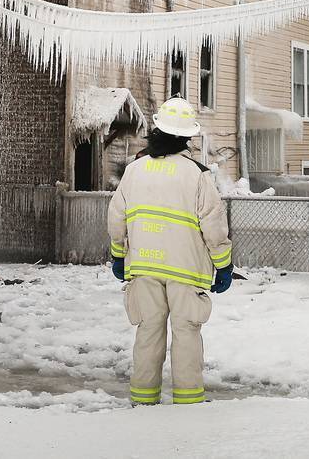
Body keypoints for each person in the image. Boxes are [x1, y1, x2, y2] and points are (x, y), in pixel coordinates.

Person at [106, 97, 233, 406]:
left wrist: (119, 257)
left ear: (157, 130)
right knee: (187, 333)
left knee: (148, 332)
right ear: (187, 138)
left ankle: (143, 402)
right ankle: (188, 405)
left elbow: (116, 217)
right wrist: (224, 265)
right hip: (186, 271)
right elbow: (213, 227)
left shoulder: (135, 171)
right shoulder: (197, 175)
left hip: (144, 269)